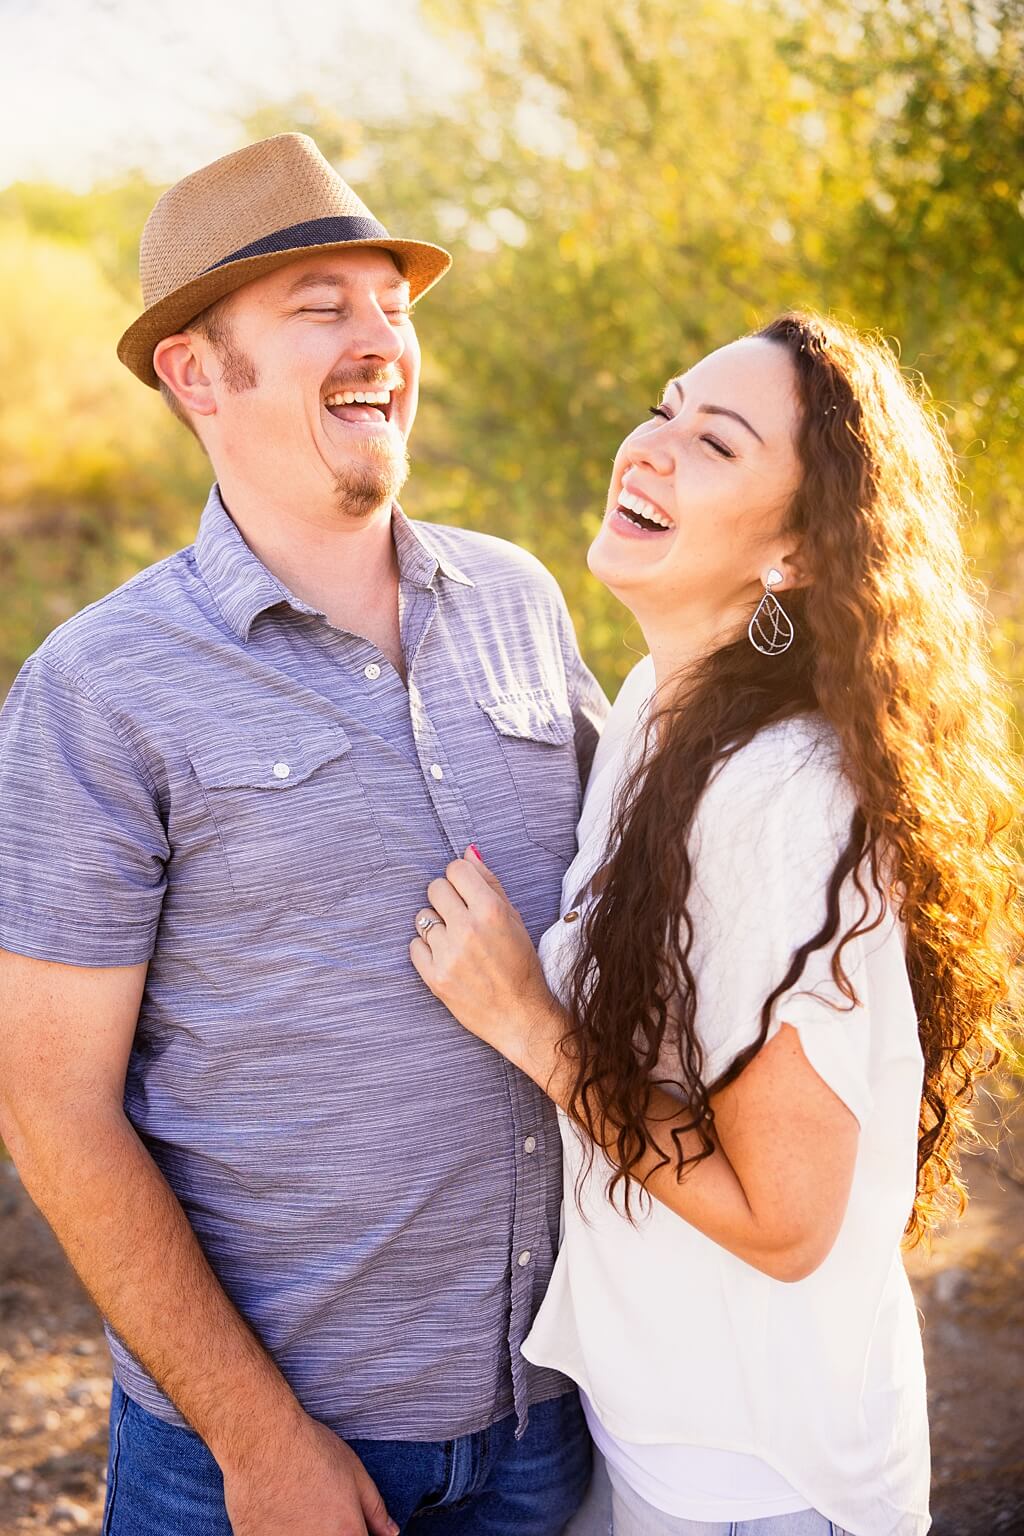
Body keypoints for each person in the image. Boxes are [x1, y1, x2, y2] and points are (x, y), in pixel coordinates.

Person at [0, 133, 608, 1536]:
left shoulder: (521, 601)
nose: (380, 336)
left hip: (554, 1420)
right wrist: (259, 1440)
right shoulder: (100, 690)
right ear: (197, 374)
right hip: (267, 1463)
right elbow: (53, 1109)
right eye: (320, 307)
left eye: (391, 304)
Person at [410, 312, 1023, 1536]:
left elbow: (783, 1221)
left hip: (754, 1484)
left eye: (716, 443)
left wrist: (531, 1026)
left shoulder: (784, 795)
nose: (652, 447)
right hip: (654, 1434)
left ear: (793, 550)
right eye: (664, 406)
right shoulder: (655, 700)